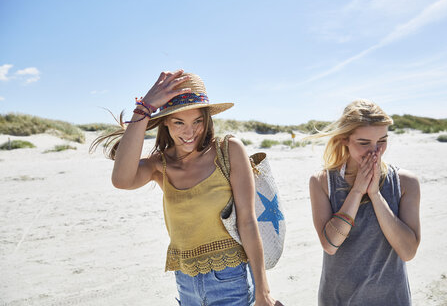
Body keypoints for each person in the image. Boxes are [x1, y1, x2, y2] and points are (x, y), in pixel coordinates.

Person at [91, 70, 280, 306]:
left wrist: (263, 291)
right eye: (179, 122)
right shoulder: (160, 164)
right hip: (185, 281)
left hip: (231, 281)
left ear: (207, 119)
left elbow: (248, 222)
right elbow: (121, 180)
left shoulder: (228, 150)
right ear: (165, 123)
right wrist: (144, 109)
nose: (189, 133)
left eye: (197, 121)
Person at [308, 100, 421, 306]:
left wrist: (376, 195)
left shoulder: (405, 182)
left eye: (382, 141)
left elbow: (408, 251)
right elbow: (330, 244)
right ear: (344, 139)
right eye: (364, 142)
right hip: (337, 300)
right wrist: (358, 190)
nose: (375, 151)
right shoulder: (322, 182)